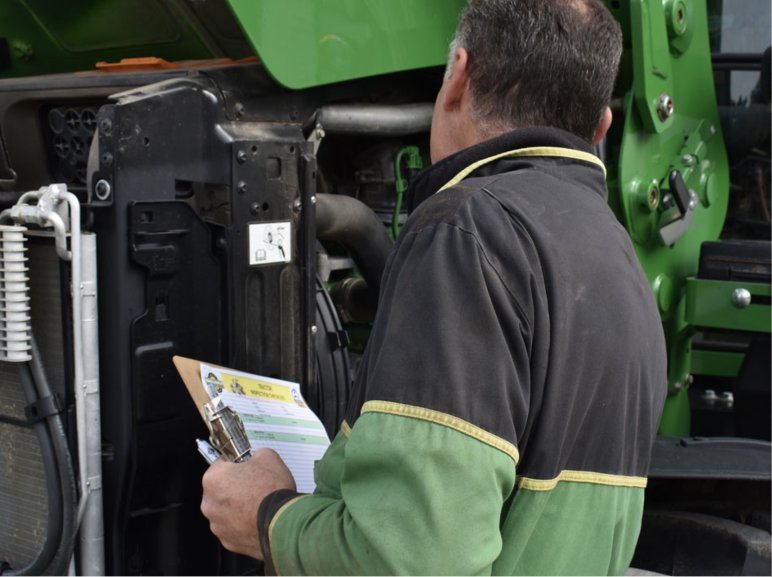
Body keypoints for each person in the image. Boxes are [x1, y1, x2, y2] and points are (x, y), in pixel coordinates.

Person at [201, 0, 667, 575]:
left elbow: (412, 556)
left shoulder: (467, 232)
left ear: (459, 78)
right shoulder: (622, 258)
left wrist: (267, 515)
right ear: (601, 128)